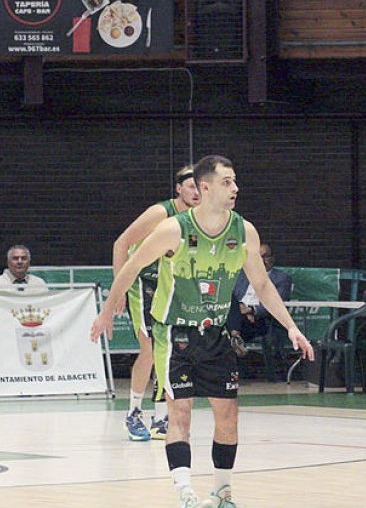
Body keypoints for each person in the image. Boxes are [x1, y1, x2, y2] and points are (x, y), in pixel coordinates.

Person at [90, 155, 314, 508]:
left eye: (235, 181)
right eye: (227, 182)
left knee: (228, 414)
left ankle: (223, 492)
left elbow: (262, 284)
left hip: (216, 332)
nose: (235, 188)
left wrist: (291, 326)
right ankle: (185, 494)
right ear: (205, 187)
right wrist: (107, 311)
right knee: (180, 412)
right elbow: (131, 267)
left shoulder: (244, 231)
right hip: (174, 333)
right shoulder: (173, 229)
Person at [111, 165, 200, 442]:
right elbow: (121, 243)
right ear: (179, 188)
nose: (197, 192)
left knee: (168, 350)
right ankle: (134, 413)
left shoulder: (199, 218)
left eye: (201, 186)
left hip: (168, 285)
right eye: (191, 186)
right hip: (142, 282)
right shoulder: (161, 213)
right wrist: (119, 289)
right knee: (149, 349)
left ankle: (161, 417)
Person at [226, 243, 294, 381]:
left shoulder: (281, 278)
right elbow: (232, 296)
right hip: (239, 315)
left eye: (265, 256)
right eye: (258, 257)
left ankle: (234, 338)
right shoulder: (242, 274)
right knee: (228, 300)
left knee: (227, 326)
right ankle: (235, 335)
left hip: (261, 321)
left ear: (272, 258)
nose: (262, 260)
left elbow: (277, 303)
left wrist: (252, 310)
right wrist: (242, 309)